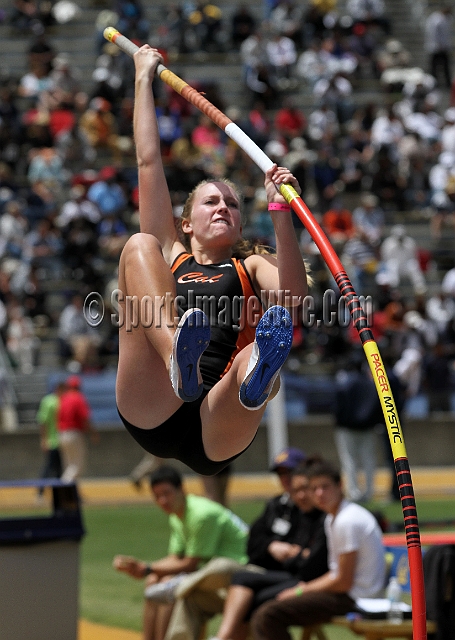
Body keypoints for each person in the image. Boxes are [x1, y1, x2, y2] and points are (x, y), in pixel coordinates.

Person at [116, 46, 308, 477]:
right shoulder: (170, 253)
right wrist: (143, 79)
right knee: (138, 247)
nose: (223, 208)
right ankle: (174, 359)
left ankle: (258, 377)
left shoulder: (249, 266)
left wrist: (281, 215)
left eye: (233, 205)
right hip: (153, 402)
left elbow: (295, 299)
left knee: (259, 349)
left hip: (217, 420)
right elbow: (148, 162)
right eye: (211, 201)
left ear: (240, 224)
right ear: (185, 224)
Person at [249, 460, 386, 640]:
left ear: (340, 485)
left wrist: (301, 591)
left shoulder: (348, 521)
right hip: (347, 593)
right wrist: (302, 589)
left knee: (267, 615)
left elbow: (343, 581)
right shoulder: (333, 518)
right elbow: (336, 574)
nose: (319, 494)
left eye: (325, 487)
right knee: (266, 610)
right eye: (314, 489)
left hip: (358, 598)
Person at [113, 465, 249, 640]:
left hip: (240, 569)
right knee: (153, 581)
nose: (162, 501)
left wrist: (146, 568)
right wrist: (142, 568)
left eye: (166, 494)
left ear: (181, 490)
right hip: (213, 570)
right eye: (157, 497)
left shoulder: (201, 515)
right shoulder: (177, 515)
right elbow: (175, 558)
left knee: (171, 585)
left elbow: (190, 563)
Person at [212, 460, 328, 640]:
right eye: (295, 490)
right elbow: (253, 543)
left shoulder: (323, 517)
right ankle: (223, 637)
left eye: (305, 488)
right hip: (287, 573)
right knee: (243, 583)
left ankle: (223, 637)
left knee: (258, 602)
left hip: (308, 582)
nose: (301, 495)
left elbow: (313, 562)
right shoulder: (279, 506)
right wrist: (275, 548)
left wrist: (294, 555)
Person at [58, 375, 99, 482]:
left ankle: (69, 493)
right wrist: (93, 433)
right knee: (77, 466)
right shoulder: (78, 398)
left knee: (69, 466)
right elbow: (85, 418)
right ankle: (62, 488)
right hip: (74, 434)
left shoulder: (63, 398)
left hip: (62, 434)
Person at [36, 381, 66, 497]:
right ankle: (40, 491)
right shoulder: (50, 401)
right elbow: (43, 422)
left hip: (59, 440)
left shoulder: (60, 401)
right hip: (52, 440)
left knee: (59, 469)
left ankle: (58, 494)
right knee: (49, 467)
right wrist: (44, 439)